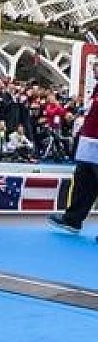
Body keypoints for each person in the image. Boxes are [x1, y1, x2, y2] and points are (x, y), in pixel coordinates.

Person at [48, 58, 98, 237]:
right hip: (89, 143)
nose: (94, 69)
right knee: (83, 180)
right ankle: (73, 219)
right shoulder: (96, 89)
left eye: (97, 66)